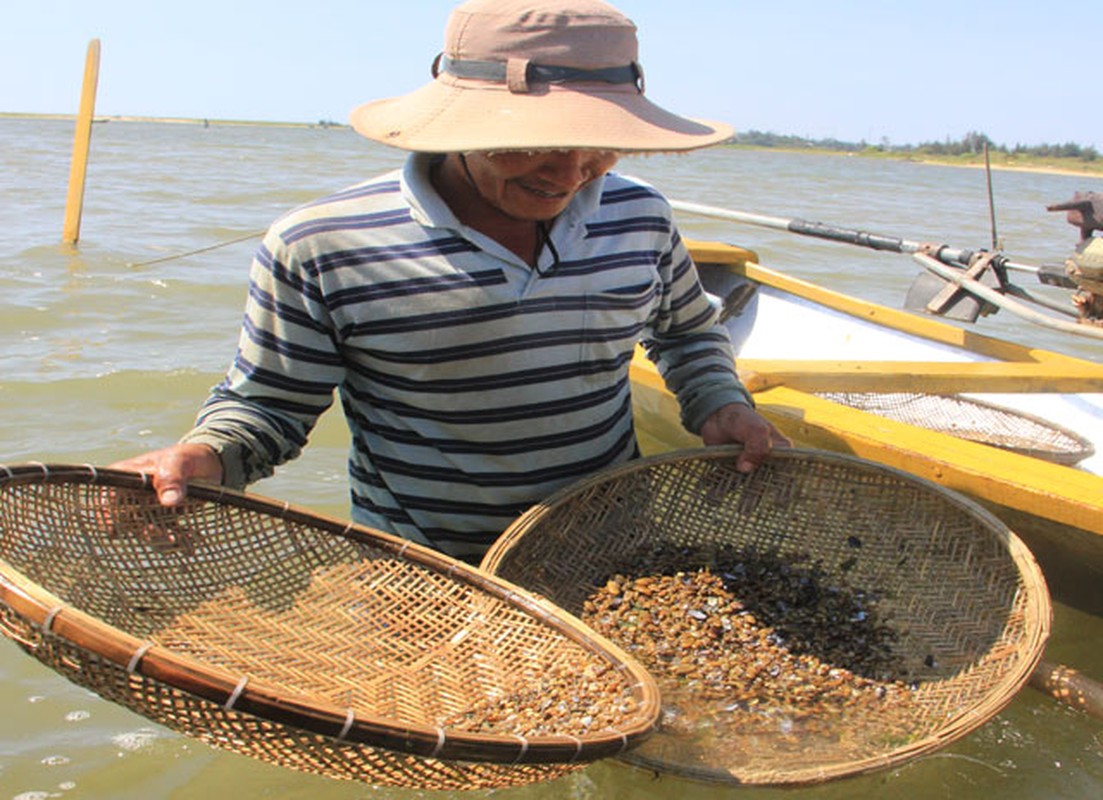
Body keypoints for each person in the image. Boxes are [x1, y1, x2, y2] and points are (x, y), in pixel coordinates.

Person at [111, 0, 789, 562]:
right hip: (423, 569)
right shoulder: (320, 243)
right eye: (530, 143)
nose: (567, 172)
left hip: (604, 547)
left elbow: (686, 333)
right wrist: (203, 455)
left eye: (599, 146)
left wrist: (717, 403)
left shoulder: (638, 213)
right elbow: (271, 406)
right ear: (458, 125)